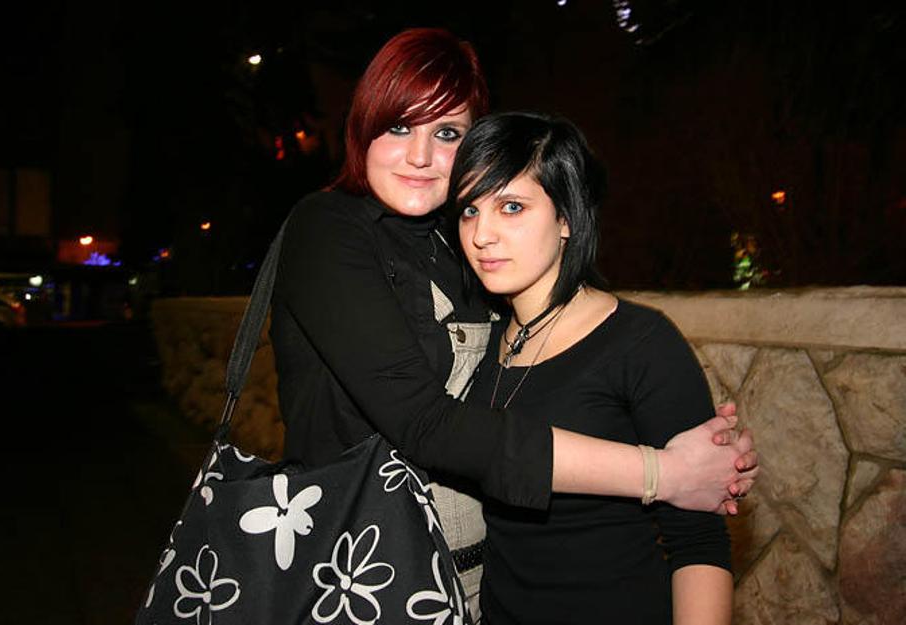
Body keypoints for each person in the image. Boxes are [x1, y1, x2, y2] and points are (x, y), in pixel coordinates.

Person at [269, 28, 756, 622]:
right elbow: (426, 422)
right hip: (361, 582)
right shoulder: (329, 229)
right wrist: (667, 471)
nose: (420, 155)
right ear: (362, 128)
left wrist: (714, 463)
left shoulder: (473, 262)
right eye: (398, 126)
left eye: (447, 133)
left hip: (469, 592)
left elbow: (695, 536)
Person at [449, 111, 735, 624]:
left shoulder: (641, 343)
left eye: (511, 207)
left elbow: (699, 542)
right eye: (470, 210)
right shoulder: (482, 342)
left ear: (566, 218)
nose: (482, 234)